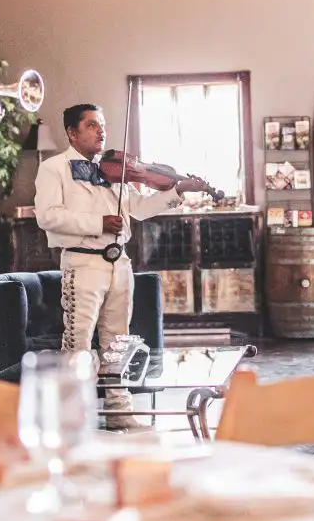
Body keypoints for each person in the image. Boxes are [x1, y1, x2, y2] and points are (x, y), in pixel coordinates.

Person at [34, 103, 211, 428]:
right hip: (82, 262)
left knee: (118, 342)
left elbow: (140, 209)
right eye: (91, 125)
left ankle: (119, 411)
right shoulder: (54, 168)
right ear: (72, 132)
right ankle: (73, 416)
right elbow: (48, 216)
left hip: (119, 263)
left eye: (102, 124)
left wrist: (177, 190)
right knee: (78, 343)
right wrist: (99, 222)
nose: (101, 131)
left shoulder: (114, 170)